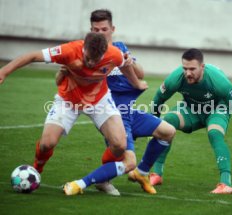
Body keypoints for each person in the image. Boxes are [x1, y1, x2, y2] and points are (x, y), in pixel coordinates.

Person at [0, 32, 147, 194]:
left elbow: (125, 66)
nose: (90, 63)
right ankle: (36, 170)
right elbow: (32, 56)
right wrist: (4, 71)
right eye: (88, 58)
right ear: (83, 48)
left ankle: (103, 179)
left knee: (120, 145)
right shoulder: (69, 50)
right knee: (46, 144)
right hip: (68, 100)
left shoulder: (114, 54)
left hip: (99, 100)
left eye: (95, 60)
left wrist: (136, 83)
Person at [61, 9, 176, 196]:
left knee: (168, 132)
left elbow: (139, 73)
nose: (100, 34)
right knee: (127, 159)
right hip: (112, 115)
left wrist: (129, 62)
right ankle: (82, 183)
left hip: (129, 111)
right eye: (95, 30)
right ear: (90, 31)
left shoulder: (120, 47)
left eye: (104, 29)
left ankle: (142, 172)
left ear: (112, 29)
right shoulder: (88, 55)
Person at [149, 48, 232, 194]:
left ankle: (226, 184)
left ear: (202, 67)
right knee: (167, 122)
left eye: (192, 69)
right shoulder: (176, 78)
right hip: (192, 109)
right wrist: (154, 126)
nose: (188, 73)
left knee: (214, 133)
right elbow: (158, 100)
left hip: (217, 108)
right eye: (185, 68)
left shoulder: (218, 81)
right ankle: (157, 174)